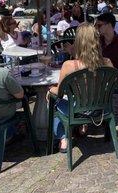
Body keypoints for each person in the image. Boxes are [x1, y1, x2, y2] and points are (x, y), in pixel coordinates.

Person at [48, 24, 113, 152]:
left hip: (77, 111)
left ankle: (63, 138)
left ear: (78, 42)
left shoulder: (69, 65)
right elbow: (113, 84)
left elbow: (59, 93)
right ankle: (81, 127)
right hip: (100, 109)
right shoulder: (107, 62)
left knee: (53, 100)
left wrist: (50, 90)